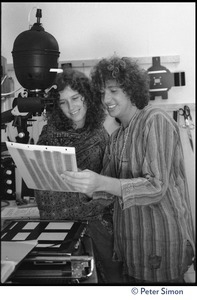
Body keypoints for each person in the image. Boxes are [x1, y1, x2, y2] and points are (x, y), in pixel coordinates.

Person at [61, 56, 195, 283]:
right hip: (132, 247)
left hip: (161, 244)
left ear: (132, 90)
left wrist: (100, 183)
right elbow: (107, 191)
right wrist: (80, 184)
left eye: (113, 91)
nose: (106, 99)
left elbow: (156, 187)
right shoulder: (117, 137)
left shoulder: (155, 120)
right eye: (102, 92)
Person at [34, 68, 121, 283]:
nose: (71, 107)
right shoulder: (49, 132)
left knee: (104, 282)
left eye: (75, 98)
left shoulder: (101, 136)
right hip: (57, 228)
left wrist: (89, 187)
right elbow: (38, 179)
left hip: (95, 227)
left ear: (87, 97)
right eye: (63, 102)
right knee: (69, 284)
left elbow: (111, 188)